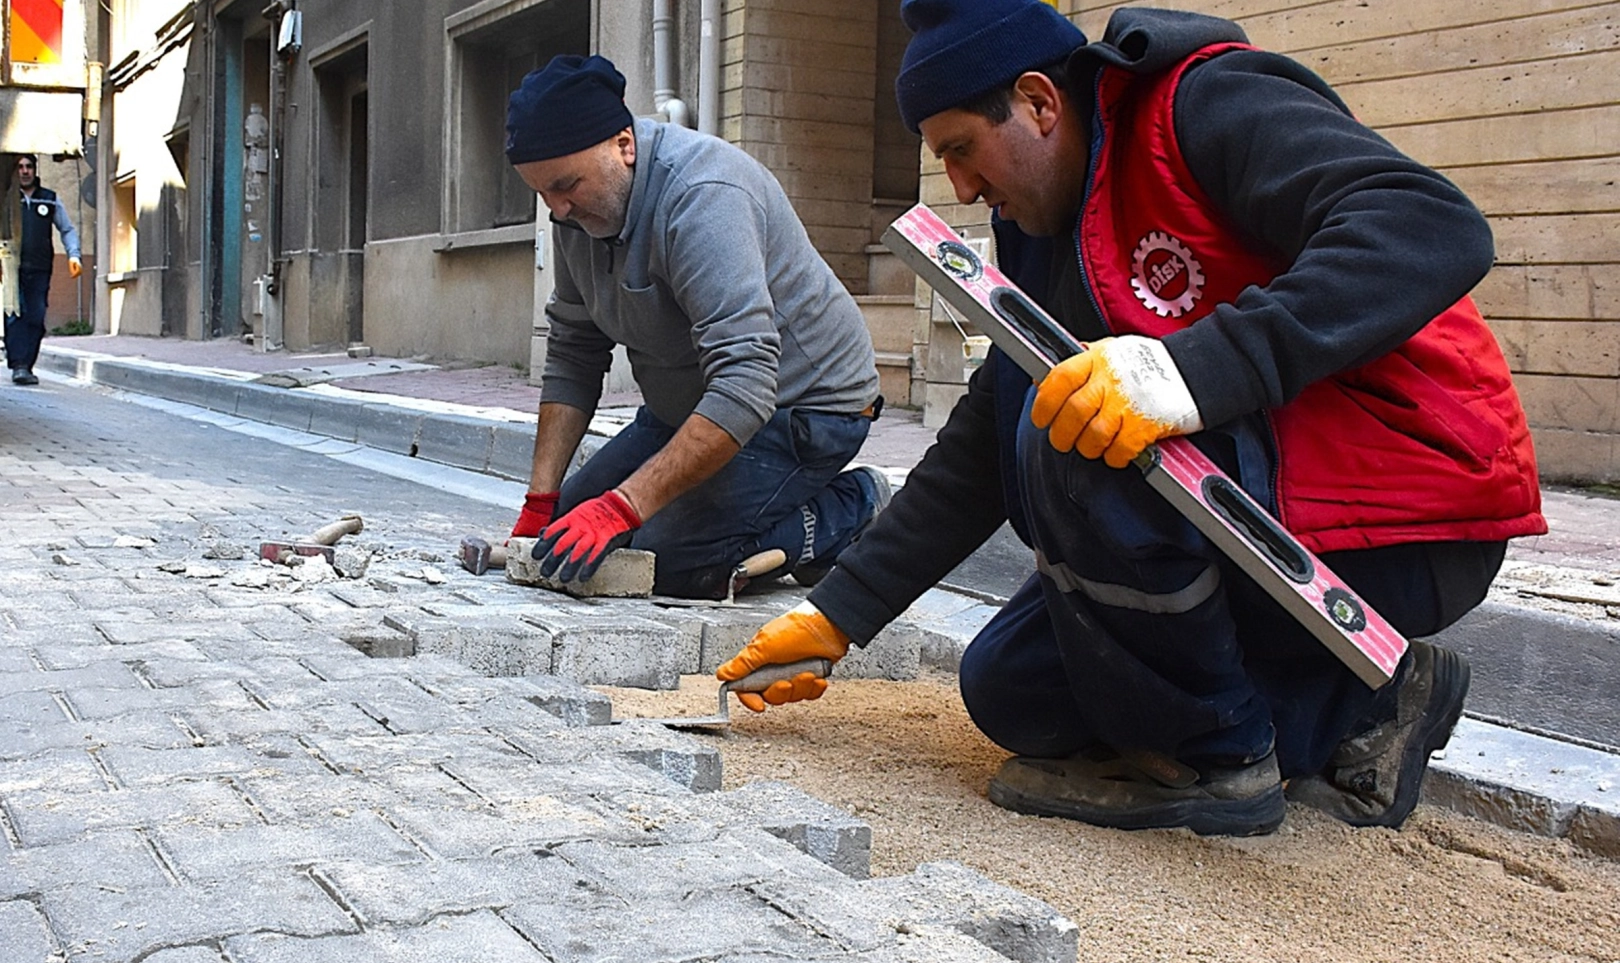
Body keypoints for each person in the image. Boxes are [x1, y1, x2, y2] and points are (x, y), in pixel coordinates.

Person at [718, 0, 1545, 837]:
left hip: (1412, 503)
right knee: (1013, 691)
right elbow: (987, 427)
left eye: (961, 150)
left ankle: (1220, 763)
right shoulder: (1039, 222)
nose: (963, 188)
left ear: (1041, 103)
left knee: (1080, 440)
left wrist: (1191, 370)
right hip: (1249, 505)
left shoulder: (1206, 102)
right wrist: (840, 613)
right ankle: (1375, 701)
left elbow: (1431, 226)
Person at [502, 55, 889, 599]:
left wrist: (624, 506)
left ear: (624, 145)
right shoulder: (573, 215)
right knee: (565, 536)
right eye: (542, 193)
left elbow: (745, 387)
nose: (559, 209)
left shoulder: (703, 197)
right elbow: (574, 351)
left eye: (567, 186)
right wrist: (540, 502)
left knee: (664, 560)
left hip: (802, 409)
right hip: (687, 409)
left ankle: (849, 506)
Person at [5, 154, 82, 386]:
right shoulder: (7, 199)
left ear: (35, 169)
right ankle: (19, 365)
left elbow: (67, 229)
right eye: (20, 167)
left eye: (29, 166)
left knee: (36, 317)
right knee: (14, 316)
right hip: (12, 267)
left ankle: (27, 364)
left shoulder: (49, 199)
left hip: (40, 268)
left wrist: (74, 255)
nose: (24, 171)